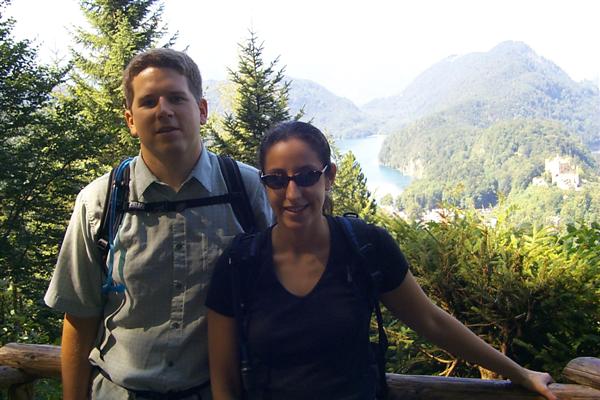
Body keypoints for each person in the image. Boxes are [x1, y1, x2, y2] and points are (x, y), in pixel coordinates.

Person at [205, 121, 557, 400]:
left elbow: (432, 322)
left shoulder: (366, 247)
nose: (292, 193)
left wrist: (519, 373)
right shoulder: (240, 263)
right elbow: (225, 383)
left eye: (307, 176)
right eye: (277, 180)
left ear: (329, 177)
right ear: (264, 183)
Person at [44, 48, 273, 399]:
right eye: (148, 101)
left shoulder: (248, 189)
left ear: (202, 110)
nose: (163, 110)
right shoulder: (100, 202)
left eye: (177, 98)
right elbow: (80, 317)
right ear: (131, 119)